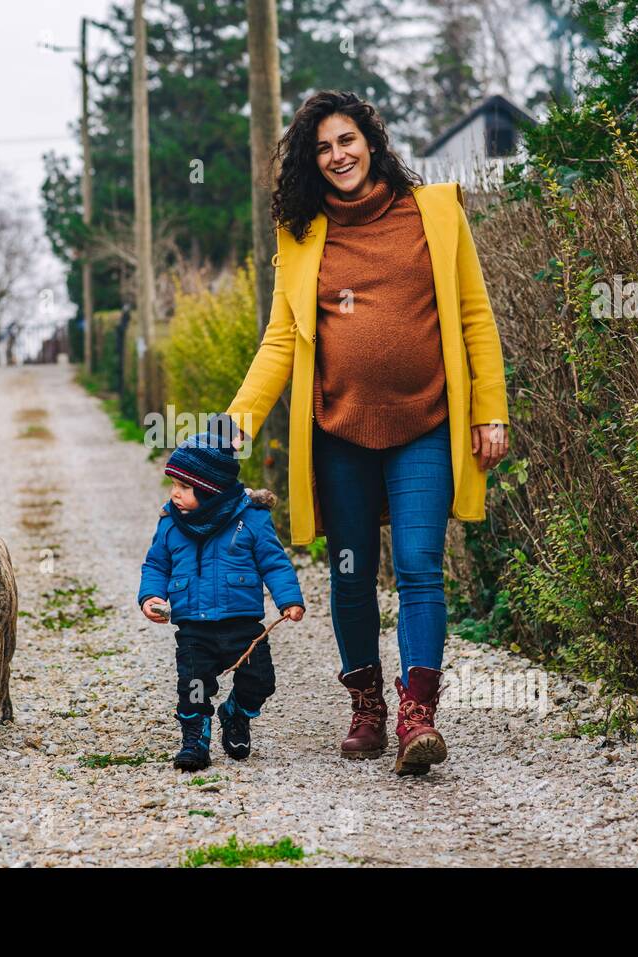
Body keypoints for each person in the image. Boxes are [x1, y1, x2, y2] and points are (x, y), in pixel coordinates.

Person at [224, 91, 511, 777]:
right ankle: (367, 704)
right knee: (351, 573)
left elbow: (475, 315)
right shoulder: (302, 235)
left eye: (347, 140)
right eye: (322, 148)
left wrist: (490, 410)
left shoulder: (435, 213)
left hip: (427, 421)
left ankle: (419, 712)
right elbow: (279, 339)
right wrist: (235, 421)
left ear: (372, 142)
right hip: (338, 429)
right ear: (311, 162)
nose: (337, 155)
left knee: (418, 562)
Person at [138, 424, 305, 771]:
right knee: (195, 685)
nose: (174, 494)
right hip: (194, 626)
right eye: (173, 485)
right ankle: (195, 740)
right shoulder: (171, 524)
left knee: (259, 680)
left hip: (243, 625)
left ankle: (236, 713)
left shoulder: (251, 520)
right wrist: (151, 597)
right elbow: (156, 563)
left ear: (212, 490)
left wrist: (289, 599)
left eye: (184, 487)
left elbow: (274, 563)